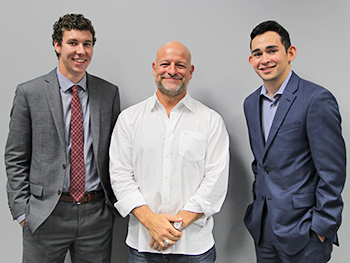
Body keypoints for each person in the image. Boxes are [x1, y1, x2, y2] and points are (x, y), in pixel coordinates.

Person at [5, 14, 120, 263]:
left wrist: (111, 208)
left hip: (95, 216)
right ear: (57, 45)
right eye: (73, 43)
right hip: (46, 214)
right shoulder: (30, 93)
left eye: (87, 44)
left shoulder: (108, 93)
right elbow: (15, 157)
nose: (81, 51)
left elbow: (116, 154)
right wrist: (22, 212)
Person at [109, 41, 229, 262]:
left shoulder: (211, 121)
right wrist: (151, 223)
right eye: (165, 64)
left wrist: (169, 229)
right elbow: (120, 177)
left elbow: (215, 183)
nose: (172, 71)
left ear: (190, 72)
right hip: (143, 246)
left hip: (194, 248)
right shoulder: (129, 119)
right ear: (155, 68)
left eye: (180, 65)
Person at [243, 20, 346, 262]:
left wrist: (321, 227)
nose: (264, 59)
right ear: (251, 61)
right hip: (264, 230)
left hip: (305, 233)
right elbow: (261, 164)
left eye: (272, 50)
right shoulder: (250, 104)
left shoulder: (316, 99)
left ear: (290, 53)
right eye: (257, 54)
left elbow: (333, 171)